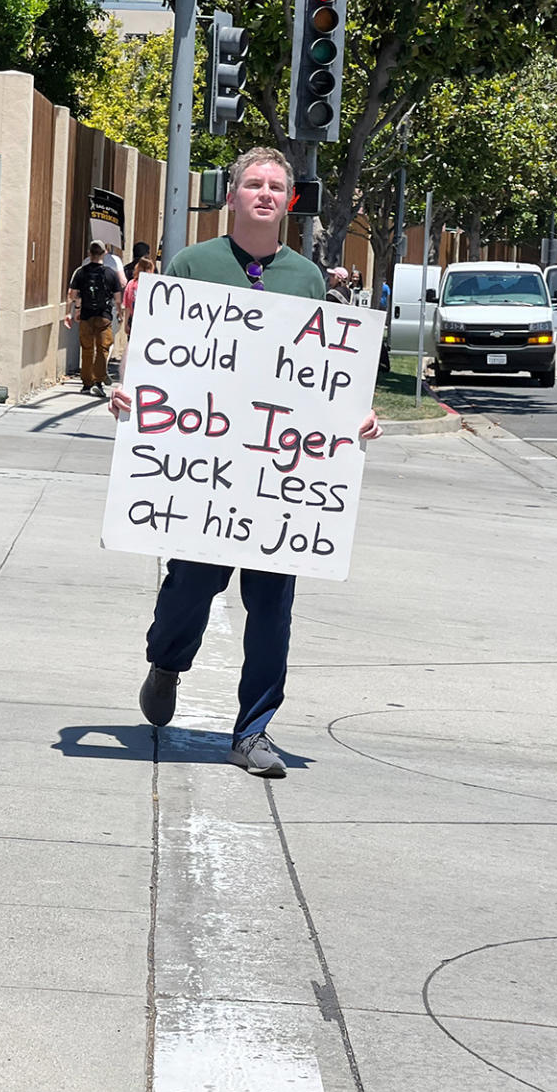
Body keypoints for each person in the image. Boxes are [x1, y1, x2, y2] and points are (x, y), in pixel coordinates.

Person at [109, 146, 382, 779]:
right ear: (231, 196)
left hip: (278, 483)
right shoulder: (191, 265)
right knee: (190, 588)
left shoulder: (307, 279)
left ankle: (254, 729)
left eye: (275, 187)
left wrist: (358, 418)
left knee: (272, 607)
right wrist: (128, 392)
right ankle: (166, 662)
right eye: (252, 184)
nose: (264, 193)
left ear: (289, 202)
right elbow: (155, 352)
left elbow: (322, 380)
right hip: (205, 476)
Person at [68, 240, 122, 395]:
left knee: (86, 349)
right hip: (104, 316)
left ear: (89, 253)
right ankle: (98, 381)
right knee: (102, 349)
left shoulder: (81, 272)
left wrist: (73, 311)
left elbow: (72, 295)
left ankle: (86, 384)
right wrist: (119, 313)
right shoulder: (110, 273)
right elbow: (118, 298)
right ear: (104, 253)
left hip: (85, 315)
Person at [121, 255, 155, 337]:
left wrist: (126, 323)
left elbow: (128, 306)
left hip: (135, 319)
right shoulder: (154, 285)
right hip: (148, 321)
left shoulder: (131, 284)